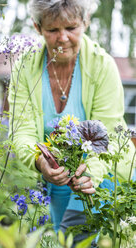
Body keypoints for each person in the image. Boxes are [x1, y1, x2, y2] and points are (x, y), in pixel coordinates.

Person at [8, 0, 135, 247]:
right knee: (59, 239)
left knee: (77, 239)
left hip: (102, 171)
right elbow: (21, 131)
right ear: (37, 27)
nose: (62, 38)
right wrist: (39, 161)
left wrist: (90, 175)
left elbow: (106, 135)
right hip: (55, 175)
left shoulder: (102, 65)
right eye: (52, 30)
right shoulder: (25, 67)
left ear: (85, 21)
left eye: (71, 28)